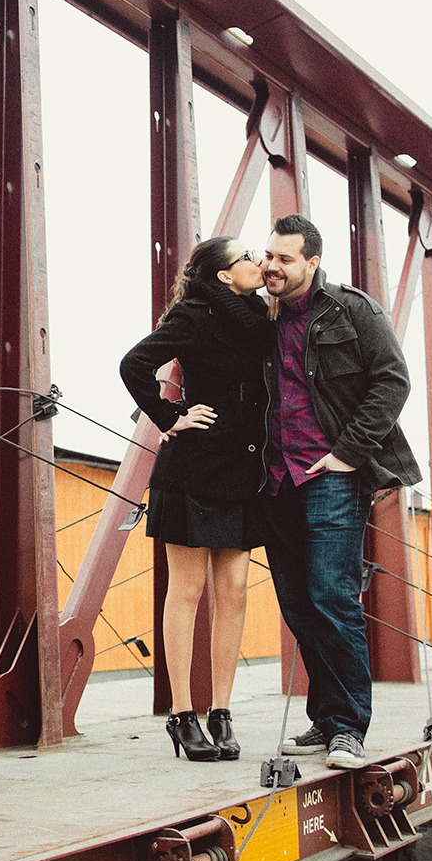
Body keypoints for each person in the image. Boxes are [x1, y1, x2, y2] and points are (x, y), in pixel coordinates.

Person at [260, 214, 420, 769]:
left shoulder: (352, 309)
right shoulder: (259, 316)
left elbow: (393, 379)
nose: (271, 266)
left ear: (312, 263)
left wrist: (349, 453)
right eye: (268, 255)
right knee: (300, 607)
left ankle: (348, 728)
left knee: (332, 597)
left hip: (330, 474)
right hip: (276, 480)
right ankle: (324, 718)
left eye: (284, 258)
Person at [120, 236, 274, 761]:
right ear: (226, 275)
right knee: (186, 591)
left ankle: (222, 712)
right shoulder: (195, 314)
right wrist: (170, 417)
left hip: (242, 470)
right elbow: (134, 365)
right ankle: (183, 715)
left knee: (234, 591)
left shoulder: (261, 318)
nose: (259, 261)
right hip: (194, 466)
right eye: (248, 256)